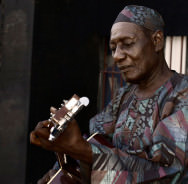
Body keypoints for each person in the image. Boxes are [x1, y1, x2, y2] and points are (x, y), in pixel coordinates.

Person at [30, 5, 188, 184]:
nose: (118, 56)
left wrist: (83, 150)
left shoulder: (182, 96)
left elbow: (167, 174)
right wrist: (61, 163)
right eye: (113, 48)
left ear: (157, 41)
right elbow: (94, 141)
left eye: (127, 44)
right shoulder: (124, 97)